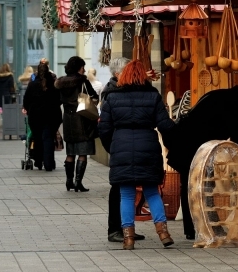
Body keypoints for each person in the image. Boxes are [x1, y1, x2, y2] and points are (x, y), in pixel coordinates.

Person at [164, 85, 238, 240]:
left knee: (202, 185)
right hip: (189, 145)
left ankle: (202, 227)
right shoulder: (232, 103)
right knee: (193, 185)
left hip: (196, 146)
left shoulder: (222, 96)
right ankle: (199, 227)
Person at [98, 60, 176, 250]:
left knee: (126, 194)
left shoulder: (112, 98)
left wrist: (113, 147)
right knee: (152, 192)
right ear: (143, 75)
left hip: (121, 147)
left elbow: (104, 129)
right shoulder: (153, 95)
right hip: (148, 146)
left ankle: (128, 239)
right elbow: (165, 125)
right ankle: (163, 233)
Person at [99, 57, 145, 244]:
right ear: (119, 73)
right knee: (118, 189)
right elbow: (105, 126)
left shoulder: (119, 89)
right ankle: (115, 229)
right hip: (120, 146)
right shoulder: (112, 92)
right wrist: (112, 146)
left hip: (123, 146)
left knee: (126, 187)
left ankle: (127, 228)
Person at [55, 56, 99, 192]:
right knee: (82, 152)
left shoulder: (61, 83)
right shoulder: (82, 82)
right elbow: (94, 96)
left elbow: (58, 101)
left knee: (70, 152)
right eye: (82, 67)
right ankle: (78, 182)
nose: (84, 70)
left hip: (68, 119)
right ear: (78, 68)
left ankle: (69, 182)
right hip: (82, 118)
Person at [22, 61, 61, 171]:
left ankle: (38, 162)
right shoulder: (54, 84)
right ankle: (49, 163)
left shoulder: (33, 85)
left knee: (38, 137)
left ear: (38, 72)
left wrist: (29, 109)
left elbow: (26, 100)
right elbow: (59, 99)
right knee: (48, 138)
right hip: (52, 116)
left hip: (35, 116)